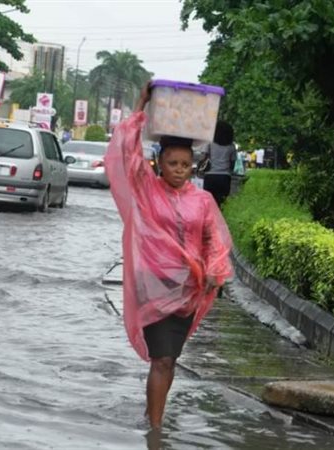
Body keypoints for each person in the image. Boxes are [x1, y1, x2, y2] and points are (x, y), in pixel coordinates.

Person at [104, 84, 233, 430]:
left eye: (186, 164)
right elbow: (126, 152)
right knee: (162, 358)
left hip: (188, 291)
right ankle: (157, 431)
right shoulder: (146, 189)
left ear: (194, 165)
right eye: (172, 163)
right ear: (158, 163)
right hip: (155, 286)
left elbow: (214, 238)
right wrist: (142, 104)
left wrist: (215, 269)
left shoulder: (202, 200)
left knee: (170, 359)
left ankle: (153, 414)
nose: (179, 169)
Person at [202, 121, 237, 207]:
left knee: (209, 202)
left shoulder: (210, 143)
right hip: (225, 177)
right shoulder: (231, 146)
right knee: (221, 202)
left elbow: (204, 158)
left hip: (210, 176)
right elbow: (232, 163)